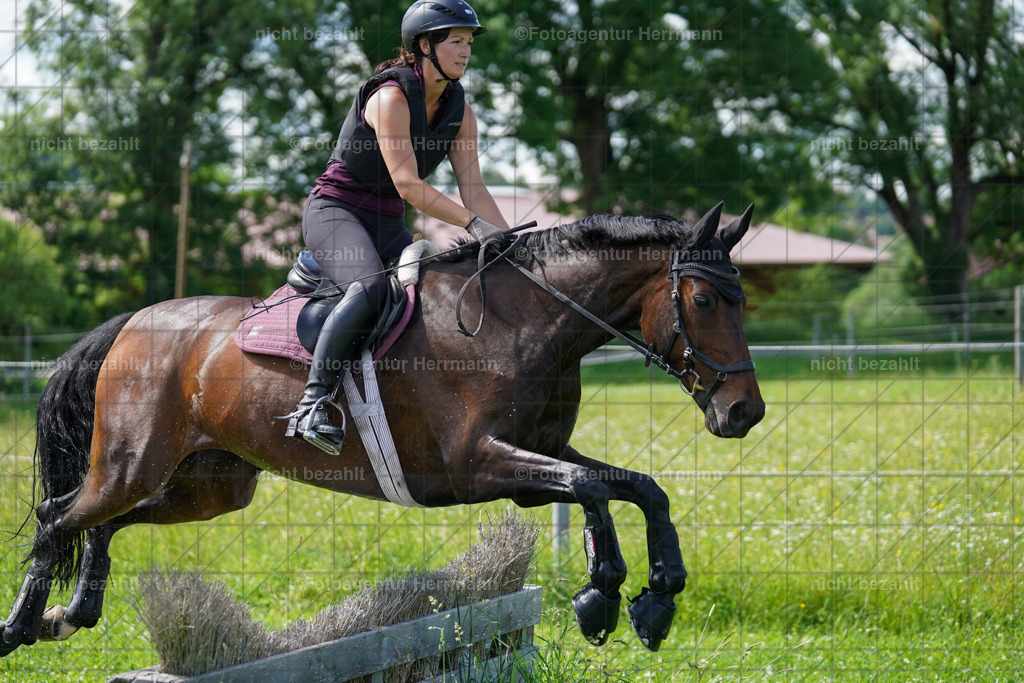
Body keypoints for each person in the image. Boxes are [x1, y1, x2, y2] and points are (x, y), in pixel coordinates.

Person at [282, 0, 511, 455]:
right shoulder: (389, 96)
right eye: (457, 42)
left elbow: (475, 188)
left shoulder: (461, 112)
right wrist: (473, 224)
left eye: (469, 43)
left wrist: (513, 243)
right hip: (337, 211)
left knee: (432, 299)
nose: (467, 52)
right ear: (425, 46)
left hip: (386, 221)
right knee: (370, 290)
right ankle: (312, 404)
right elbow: (408, 183)